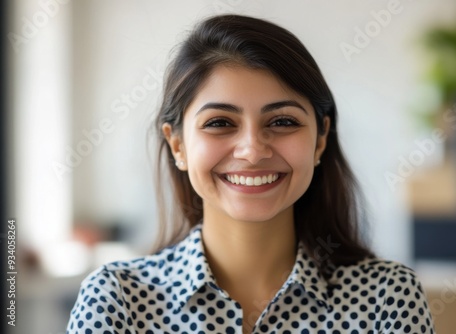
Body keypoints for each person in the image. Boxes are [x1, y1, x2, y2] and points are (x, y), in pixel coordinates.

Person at [67, 14, 435, 334]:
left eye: (283, 121)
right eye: (220, 123)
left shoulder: (387, 298)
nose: (253, 150)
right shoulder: (116, 300)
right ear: (177, 145)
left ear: (320, 140)